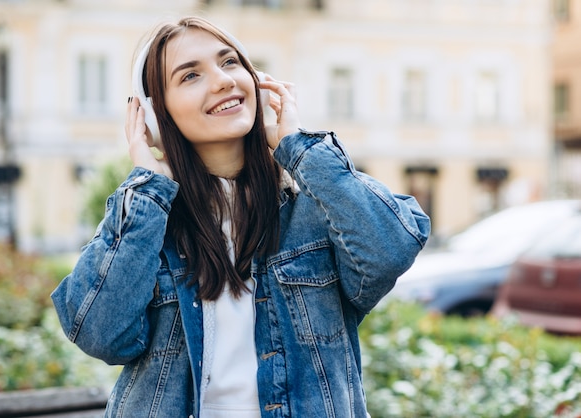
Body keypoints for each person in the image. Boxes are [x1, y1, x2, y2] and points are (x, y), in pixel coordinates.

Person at [51, 15, 430, 418]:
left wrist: (297, 146)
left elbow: (389, 249)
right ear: (154, 115)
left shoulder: (314, 206)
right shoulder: (148, 221)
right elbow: (100, 334)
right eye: (190, 76)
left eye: (229, 62)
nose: (222, 80)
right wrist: (147, 185)